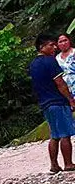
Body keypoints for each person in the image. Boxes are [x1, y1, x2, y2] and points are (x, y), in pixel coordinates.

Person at [29, 34, 75, 173]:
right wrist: (70, 99)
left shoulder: (33, 64)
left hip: (45, 102)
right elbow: (60, 83)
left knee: (54, 135)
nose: (54, 47)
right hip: (57, 101)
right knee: (65, 134)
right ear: (42, 46)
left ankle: (54, 165)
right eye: (51, 45)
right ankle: (68, 163)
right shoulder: (50, 61)